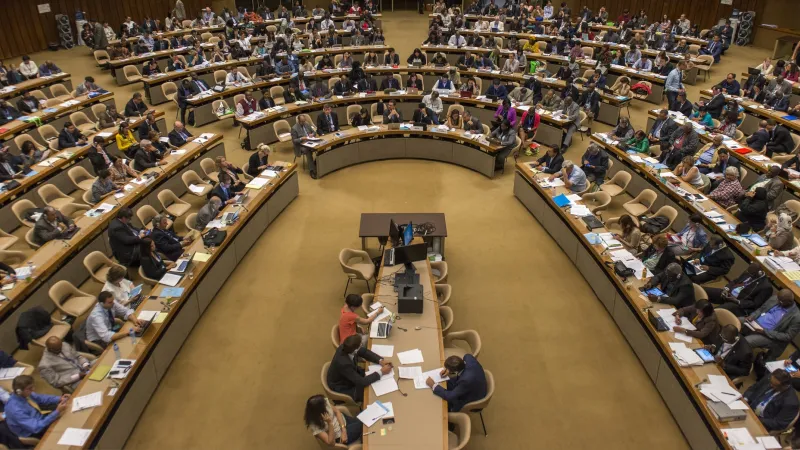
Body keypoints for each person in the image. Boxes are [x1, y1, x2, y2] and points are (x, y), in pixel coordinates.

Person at [327, 334, 392, 403]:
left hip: (350, 376)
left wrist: (380, 361)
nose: (361, 345)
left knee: (372, 379)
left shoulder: (347, 347)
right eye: (360, 345)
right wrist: (381, 372)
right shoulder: (344, 364)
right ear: (355, 350)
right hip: (343, 387)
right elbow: (362, 382)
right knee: (371, 395)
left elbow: (364, 352)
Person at [742, 289, 800, 361]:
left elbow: (787, 336)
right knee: (734, 321)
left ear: (789, 302)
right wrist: (752, 316)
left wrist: (764, 331)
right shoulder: (775, 298)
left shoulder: (796, 317)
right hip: (754, 322)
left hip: (768, 335)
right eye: (778, 299)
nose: (778, 301)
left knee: (746, 341)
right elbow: (761, 309)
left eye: (780, 301)